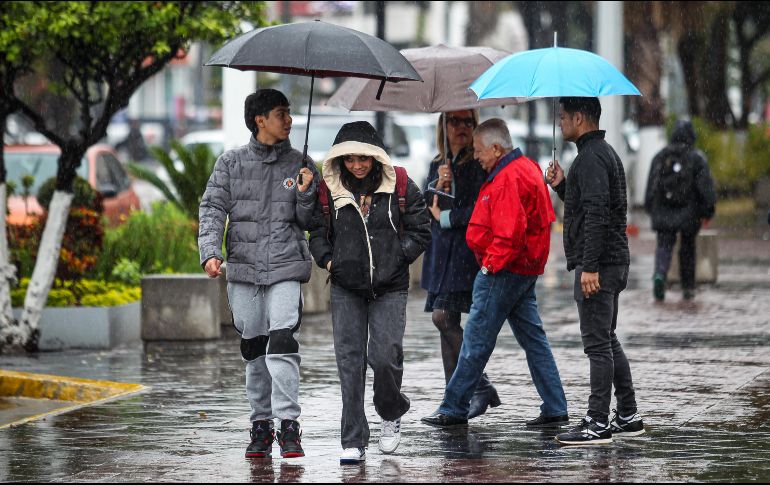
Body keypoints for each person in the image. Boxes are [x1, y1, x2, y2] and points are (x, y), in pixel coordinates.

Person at [421, 119, 568, 429]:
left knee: (475, 341)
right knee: (533, 340)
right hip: (523, 270)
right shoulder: (523, 167)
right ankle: (555, 405)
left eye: (479, 151)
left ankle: (454, 406)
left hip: (504, 271)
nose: (476, 156)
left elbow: (509, 233)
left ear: (497, 148)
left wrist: (488, 267)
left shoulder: (508, 177)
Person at [198, 89, 318, 459]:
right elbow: (213, 208)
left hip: (285, 265)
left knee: (282, 343)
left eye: (290, 113)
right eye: (281, 113)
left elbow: (310, 221)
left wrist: (305, 193)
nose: (290, 120)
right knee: (254, 348)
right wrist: (209, 253)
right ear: (259, 120)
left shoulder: (301, 163)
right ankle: (261, 424)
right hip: (244, 270)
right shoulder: (230, 164)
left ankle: (289, 425)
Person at [308, 121, 431, 464]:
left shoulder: (401, 184)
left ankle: (390, 414)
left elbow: (422, 230)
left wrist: (396, 257)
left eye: (364, 158)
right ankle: (353, 438)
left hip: (390, 287)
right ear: (340, 159)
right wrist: (330, 262)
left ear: (376, 157)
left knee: (384, 356)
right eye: (350, 159)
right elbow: (316, 232)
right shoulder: (328, 189)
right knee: (349, 362)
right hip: (346, 287)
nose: (357, 165)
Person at [546, 97, 645, 445]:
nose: (559, 123)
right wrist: (561, 185)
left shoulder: (589, 158)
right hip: (613, 261)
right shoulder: (601, 153)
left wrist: (589, 268)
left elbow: (597, 215)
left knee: (597, 345)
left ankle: (598, 421)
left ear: (578, 117)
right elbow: (588, 205)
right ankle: (628, 414)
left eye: (562, 117)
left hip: (600, 266)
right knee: (607, 338)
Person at [421, 109, 502, 420]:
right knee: (445, 324)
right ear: (443, 125)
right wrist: (438, 183)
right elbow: (428, 204)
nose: (461, 127)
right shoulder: (438, 164)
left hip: (465, 254)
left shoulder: (477, 164)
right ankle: (452, 401)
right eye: (454, 121)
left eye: (468, 121)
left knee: (443, 318)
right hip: (441, 254)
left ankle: (480, 385)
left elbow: (480, 209)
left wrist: (447, 217)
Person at [644, 119, 716, 301]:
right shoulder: (696, 158)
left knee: (664, 245)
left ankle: (660, 274)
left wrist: (650, 207)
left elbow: (651, 185)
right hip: (689, 212)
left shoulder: (660, 156)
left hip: (663, 209)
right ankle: (688, 287)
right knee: (687, 248)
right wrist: (707, 211)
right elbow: (705, 188)